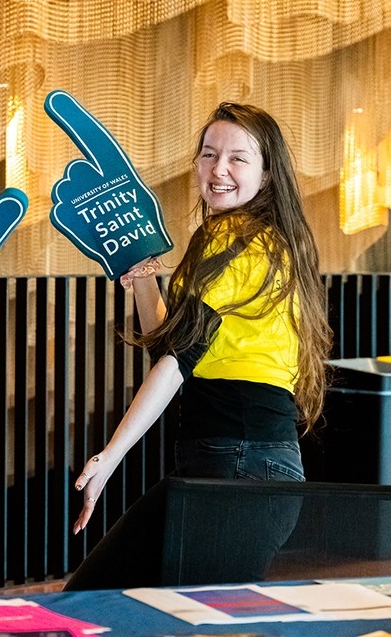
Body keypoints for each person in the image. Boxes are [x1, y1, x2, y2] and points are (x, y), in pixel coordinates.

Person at [69, 102, 332, 569]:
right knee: (119, 590)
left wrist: (109, 458)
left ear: (267, 175)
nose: (219, 169)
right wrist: (142, 273)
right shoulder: (224, 239)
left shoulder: (247, 243)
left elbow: (175, 362)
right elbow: (167, 343)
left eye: (238, 158)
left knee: (139, 598)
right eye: (209, 154)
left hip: (242, 463)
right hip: (230, 460)